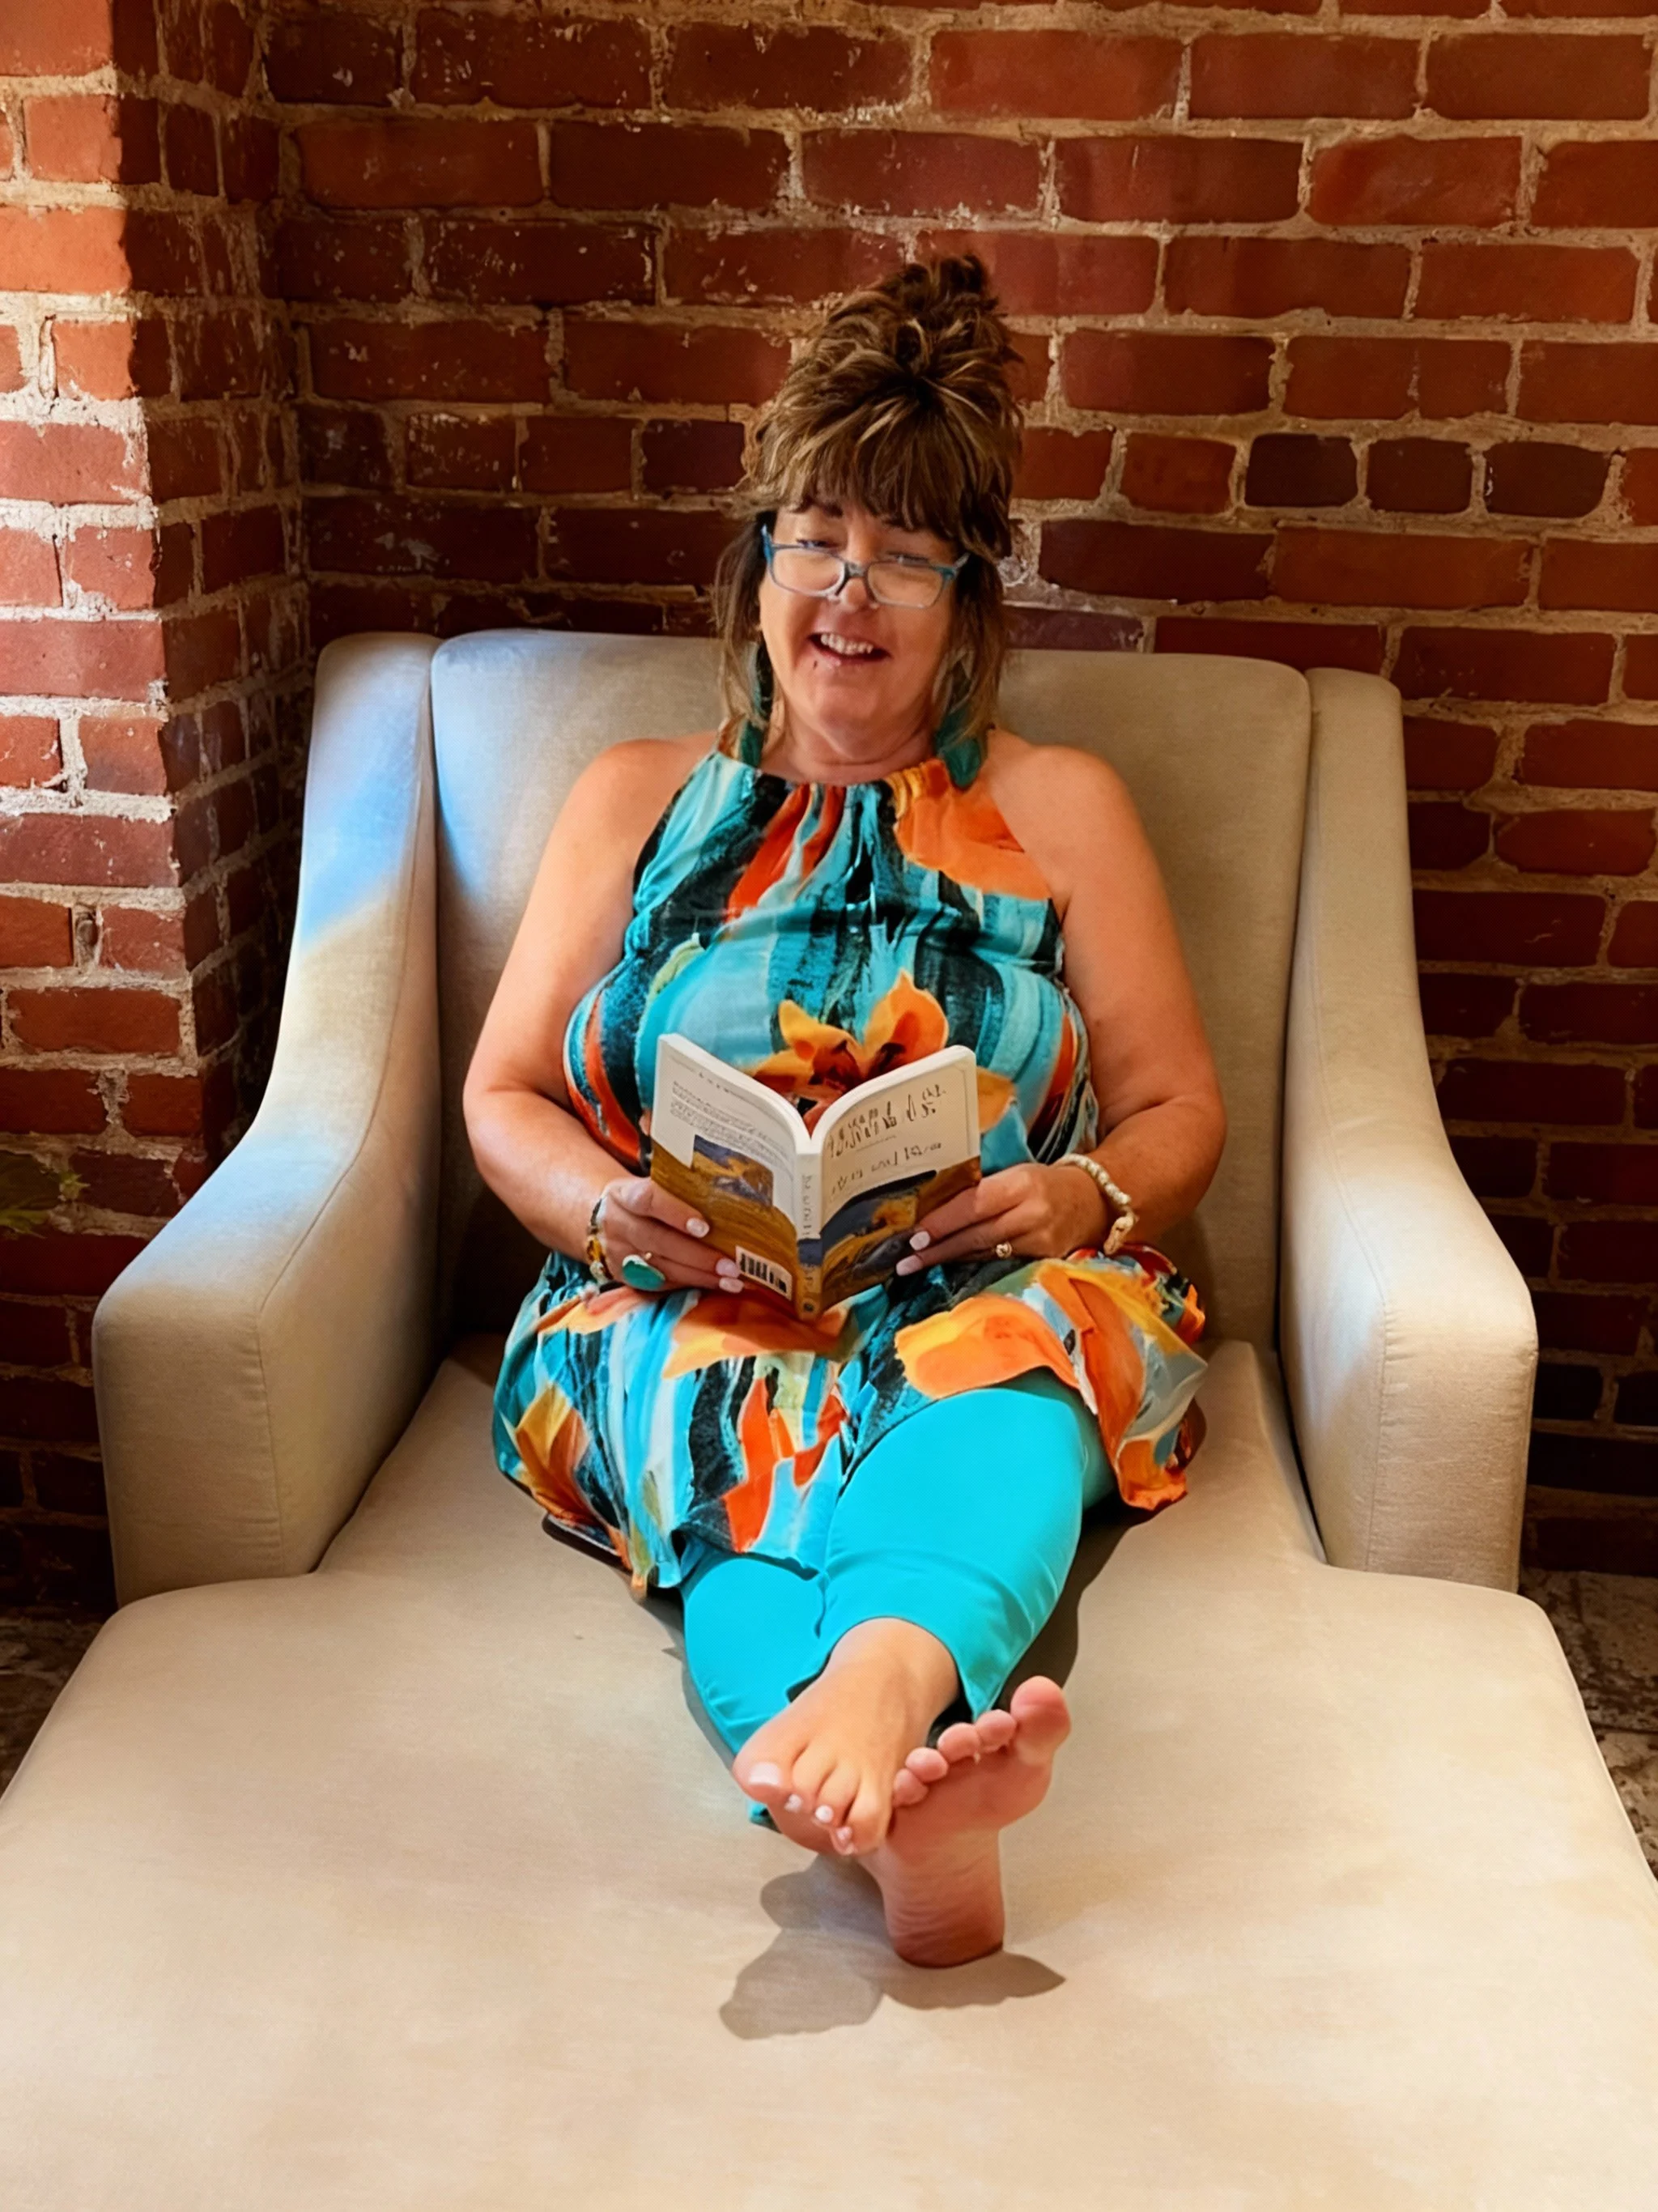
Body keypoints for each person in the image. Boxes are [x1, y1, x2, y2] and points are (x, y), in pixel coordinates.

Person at [465, 257, 1225, 1967]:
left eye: (903, 554)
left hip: (976, 1279)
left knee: (1014, 1362)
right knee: (717, 1409)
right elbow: (500, 1095)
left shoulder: (1059, 808)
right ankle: (904, 1797)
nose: (851, 593)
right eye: (816, 540)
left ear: (967, 600)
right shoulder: (632, 799)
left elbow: (1183, 1104)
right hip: (679, 1287)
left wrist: (1083, 1196)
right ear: (756, 570)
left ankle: (869, 1702)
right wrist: (602, 1212)